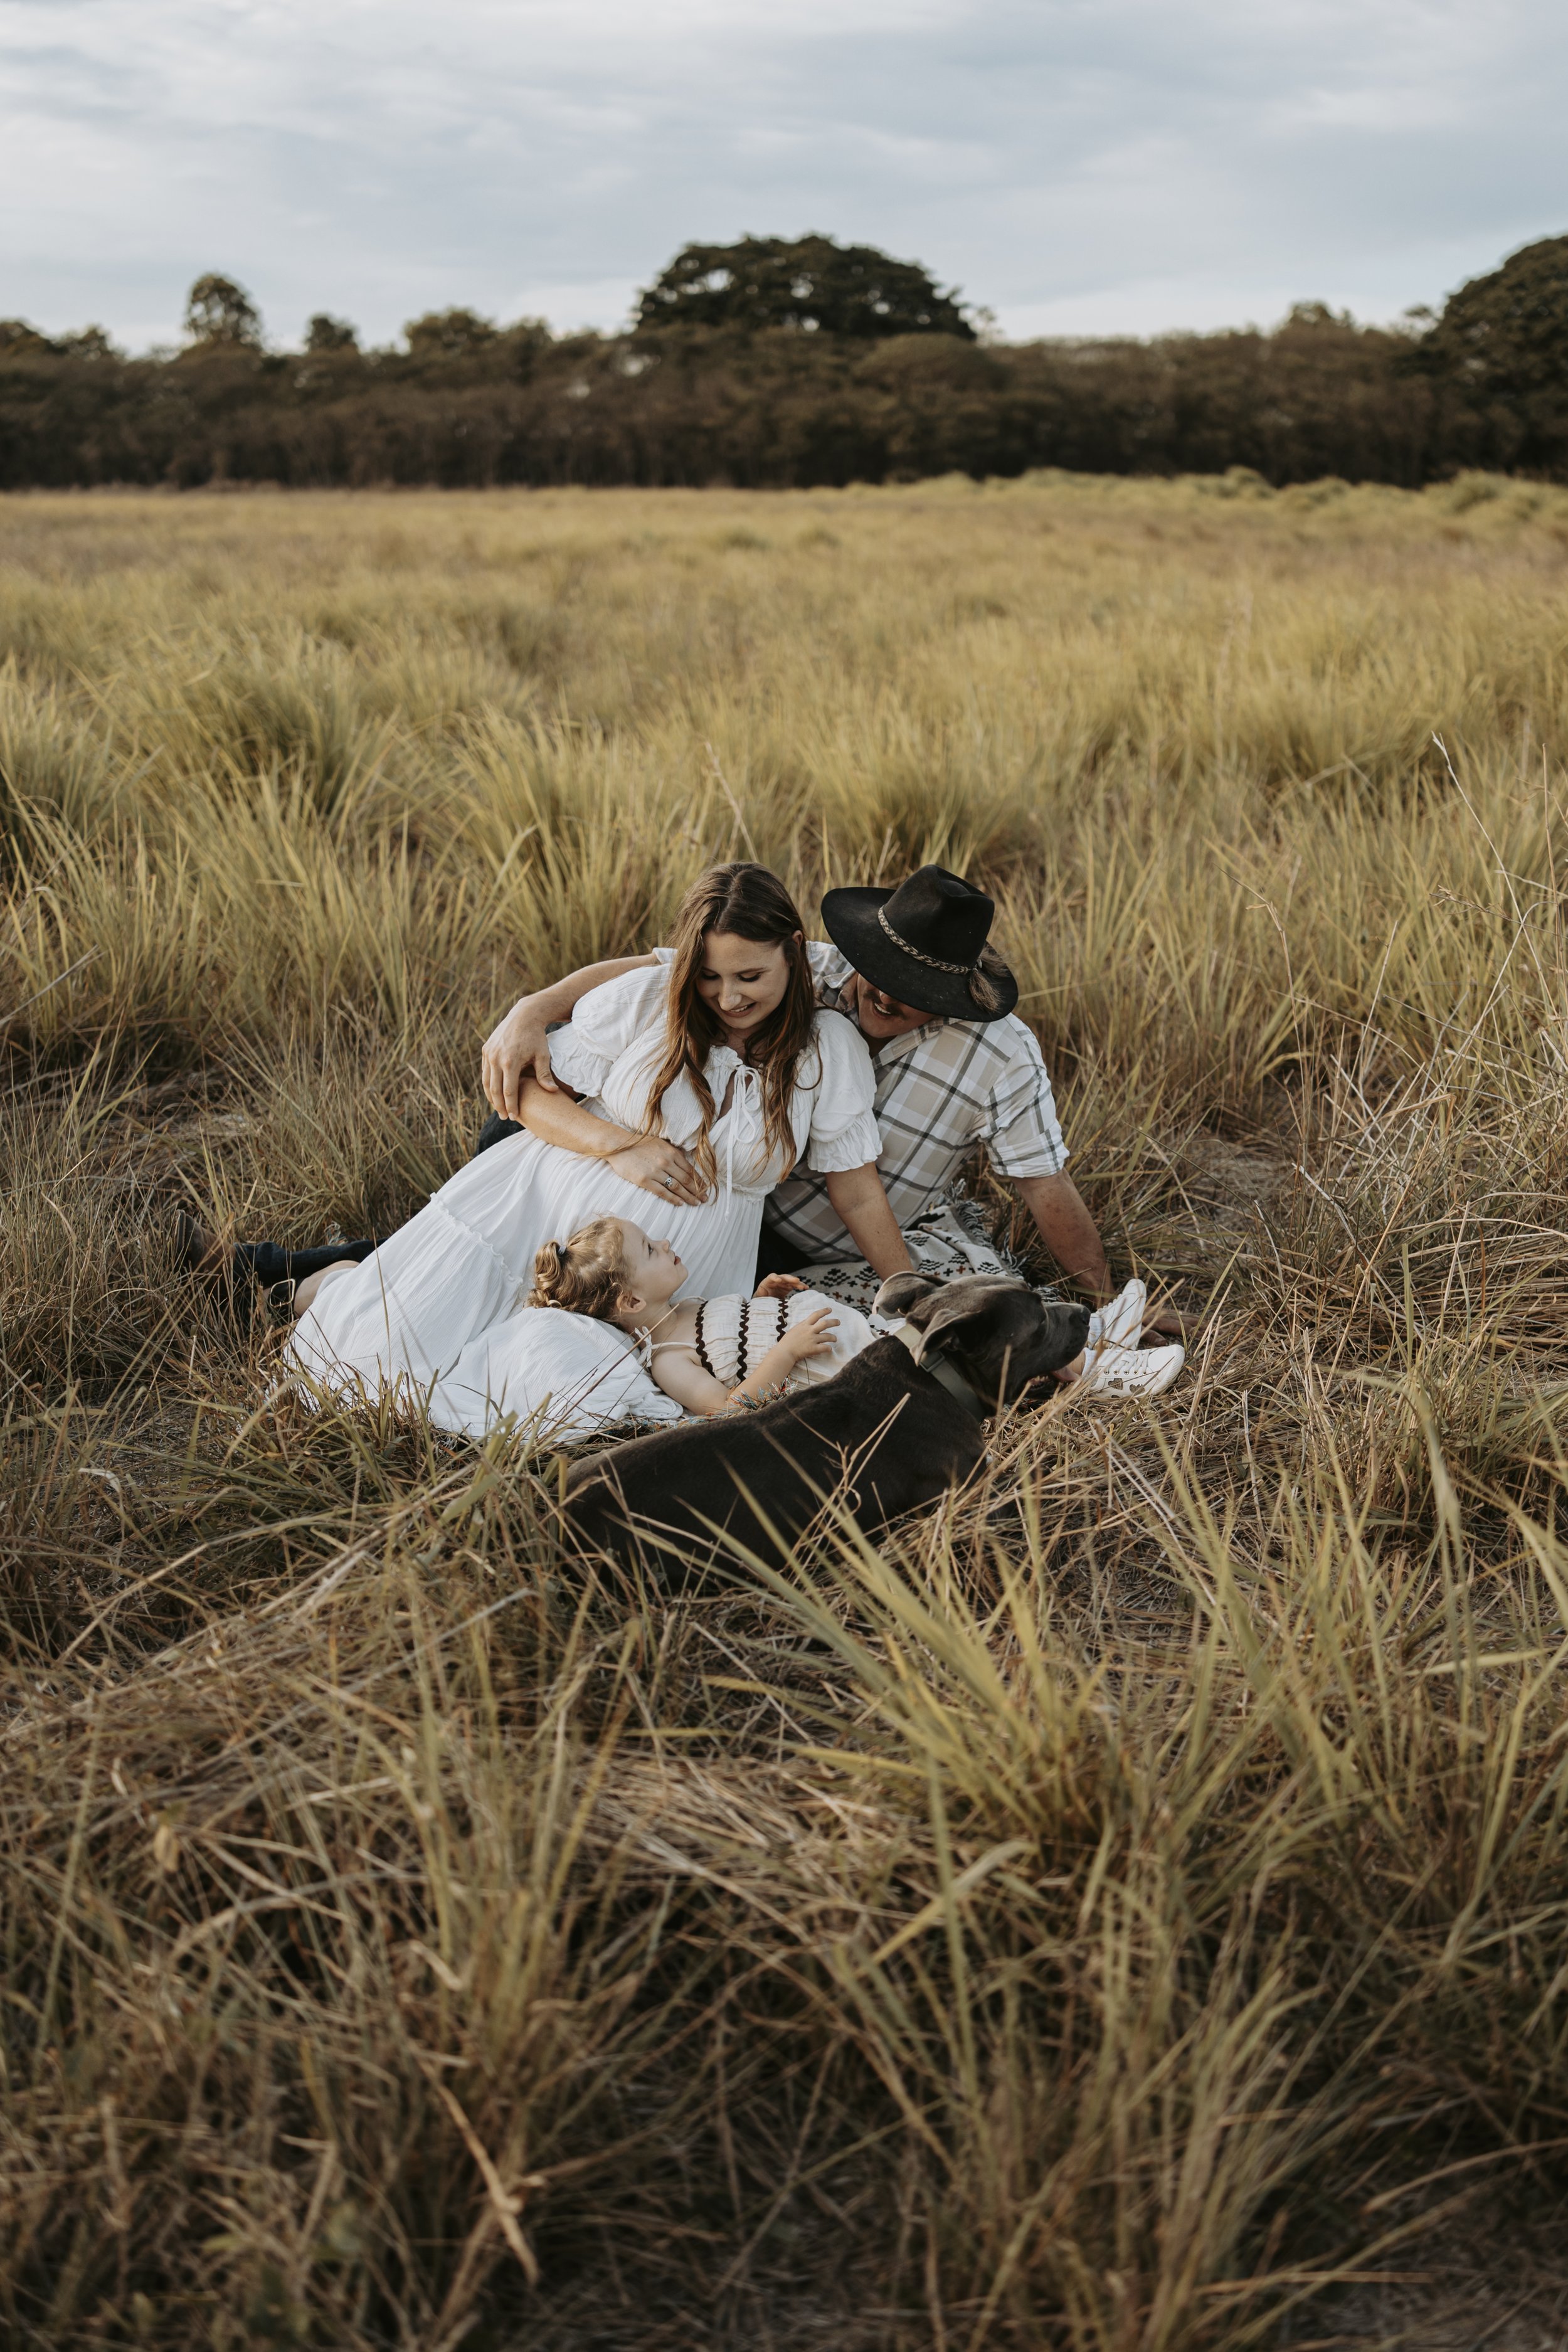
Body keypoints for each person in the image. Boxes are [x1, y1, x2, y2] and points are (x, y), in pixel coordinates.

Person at [270, 864, 913, 1406]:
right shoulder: (650, 999)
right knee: (374, 1360)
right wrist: (621, 1146)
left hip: (662, 1285)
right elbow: (522, 1096)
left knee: (552, 1398)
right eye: (710, 976)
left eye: (750, 977)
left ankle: (336, 1279)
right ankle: (322, 1286)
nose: (727, 998)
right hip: (535, 1213)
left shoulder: (828, 1050)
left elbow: (856, 1192)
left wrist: (908, 1292)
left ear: (794, 952)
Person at [481, 862, 1185, 1345]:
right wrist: (534, 1010)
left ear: (950, 1002)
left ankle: (1089, 1334)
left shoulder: (999, 1054)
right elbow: (658, 971)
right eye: (877, 972)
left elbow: (1041, 1184)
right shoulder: (795, 968)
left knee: (978, 1307)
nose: (879, 993)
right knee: (515, 1196)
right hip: (704, 1208)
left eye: (910, 991)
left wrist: (1102, 1295)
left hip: (786, 1233)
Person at [528, 1217, 874, 1415]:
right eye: (650, 1248)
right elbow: (728, 1409)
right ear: (632, 1301)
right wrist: (787, 1351)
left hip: (838, 1333)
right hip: (825, 1368)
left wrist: (762, 1304)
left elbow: (739, 1346)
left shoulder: (686, 1307)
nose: (664, 1242)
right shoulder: (669, 1361)